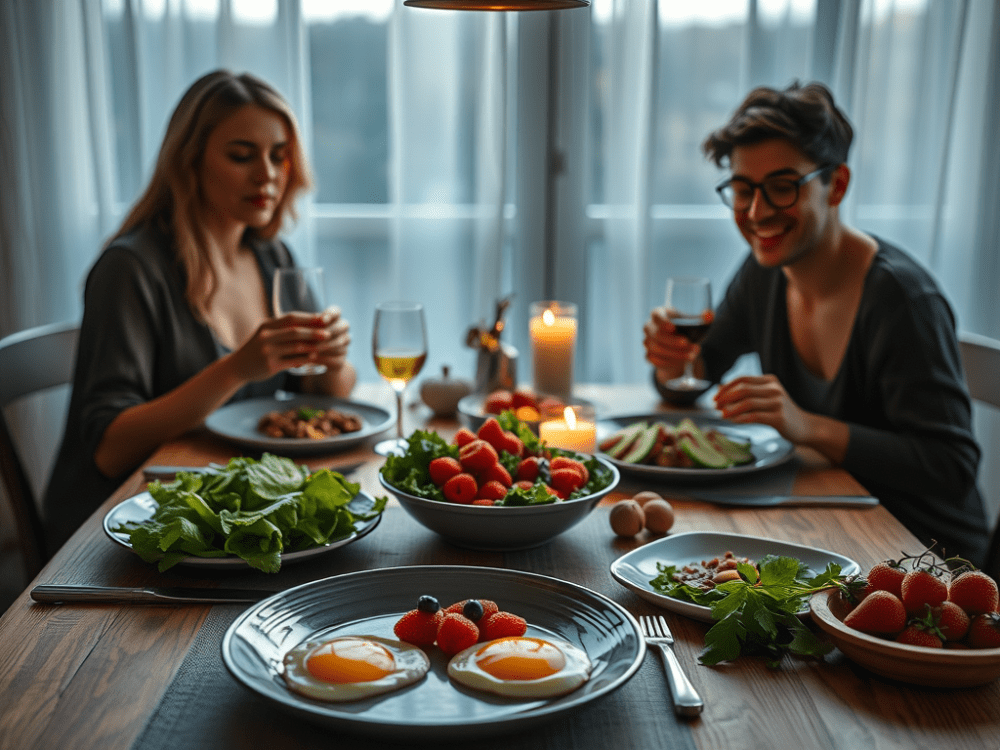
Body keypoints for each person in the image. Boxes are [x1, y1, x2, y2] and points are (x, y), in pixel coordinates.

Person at [643, 81, 989, 565]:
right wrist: (669, 359)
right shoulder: (763, 275)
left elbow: (951, 467)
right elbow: (698, 373)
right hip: (831, 529)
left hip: (928, 560)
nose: (758, 212)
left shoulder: (902, 301)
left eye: (783, 187)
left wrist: (807, 426)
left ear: (838, 185)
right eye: (743, 190)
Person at [43, 70, 356, 553]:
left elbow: (323, 392)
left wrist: (331, 357)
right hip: (117, 530)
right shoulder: (130, 269)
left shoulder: (273, 256)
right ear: (189, 162)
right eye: (241, 155)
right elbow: (109, 449)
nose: (267, 175)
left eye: (279, 156)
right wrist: (237, 369)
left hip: (219, 518)